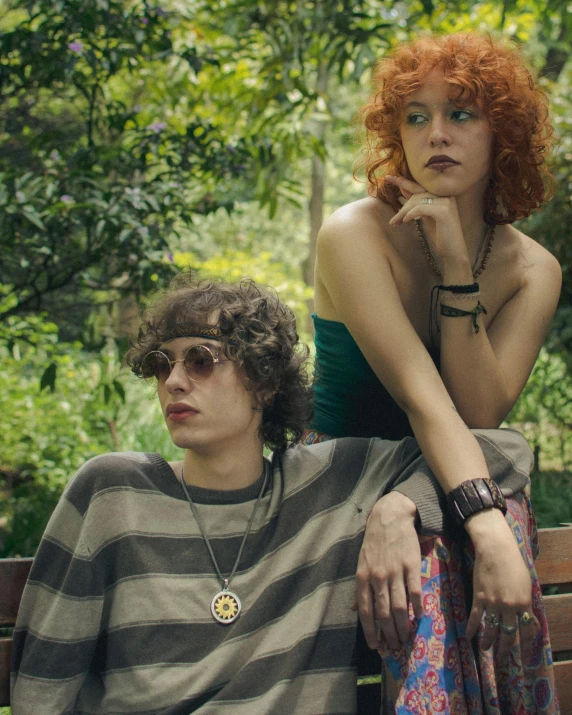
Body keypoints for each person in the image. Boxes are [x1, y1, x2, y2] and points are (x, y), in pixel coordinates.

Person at [11, 276, 536, 714]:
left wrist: (398, 505)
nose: (173, 380)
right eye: (161, 363)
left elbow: (504, 447)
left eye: (199, 359)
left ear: (264, 382)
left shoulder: (329, 484)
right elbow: (43, 685)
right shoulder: (112, 491)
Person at [307, 32, 561, 712]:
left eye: (461, 114)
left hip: (439, 487)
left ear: (503, 132)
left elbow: (478, 412)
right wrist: (483, 525)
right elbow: (429, 403)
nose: (435, 134)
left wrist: (455, 267)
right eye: (415, 116)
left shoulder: (534, 269)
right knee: (463, 531)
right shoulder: (353, 235)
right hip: (341, 489)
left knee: (458, 519)